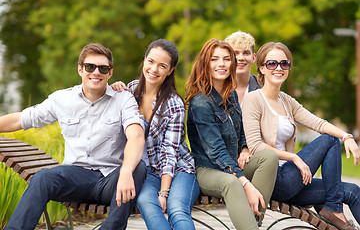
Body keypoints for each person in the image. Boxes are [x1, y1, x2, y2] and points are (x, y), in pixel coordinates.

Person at [2, 43, 147, 230]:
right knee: (43, 177)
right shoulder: (62, 99)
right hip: (75, 179)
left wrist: (126, 172)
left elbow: (136, 135)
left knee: (138, 167)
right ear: (80, 69)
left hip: (111, 180)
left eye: (103, 68)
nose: (96, 72)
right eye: (90, 67)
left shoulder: (123, 99)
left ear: (110, 73)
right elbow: (21, 119)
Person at [242, 42, 360, 230]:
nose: (279, 68)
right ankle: (334, 209)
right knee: (330, 140)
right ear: (262, 68)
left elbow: (319, 123)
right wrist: (294, 157)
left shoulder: (286, 100)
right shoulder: (253, 99)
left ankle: (333, 207)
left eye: (284, 63)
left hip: (294, 182)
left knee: (353, 191)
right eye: (272, 63)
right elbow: (255, 145)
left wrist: (347, 137)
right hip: (275, 180)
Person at [185, 38, 278, 229]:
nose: (221, 64)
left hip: (233, 163)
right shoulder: (200, 103)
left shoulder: (231, 94)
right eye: (214, 59)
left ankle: (252, 224)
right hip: (207, 169)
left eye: (227, 59)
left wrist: (244, 148)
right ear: (205, 63)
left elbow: (242, 129)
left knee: (269, 156)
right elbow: (216, 152)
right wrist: (247, 184)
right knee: (232, 182)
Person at [111, 39, 199, 230]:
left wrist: (164, 192)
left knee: (177, 209)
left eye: (162, 66)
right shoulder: (129, 91)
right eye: (150, 61)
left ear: (170, 70)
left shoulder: (174, 104)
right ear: (144, 60)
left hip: (179, 170)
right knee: (145, 202)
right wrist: (114, 88)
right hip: (149, 171)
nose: (154, 69)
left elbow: (170, 152)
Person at [224, 31, 262, 105]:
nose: (241, 58)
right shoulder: (217, 89)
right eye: (235, 53)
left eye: (246, 53)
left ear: (253, 58)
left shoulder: (263, 90)